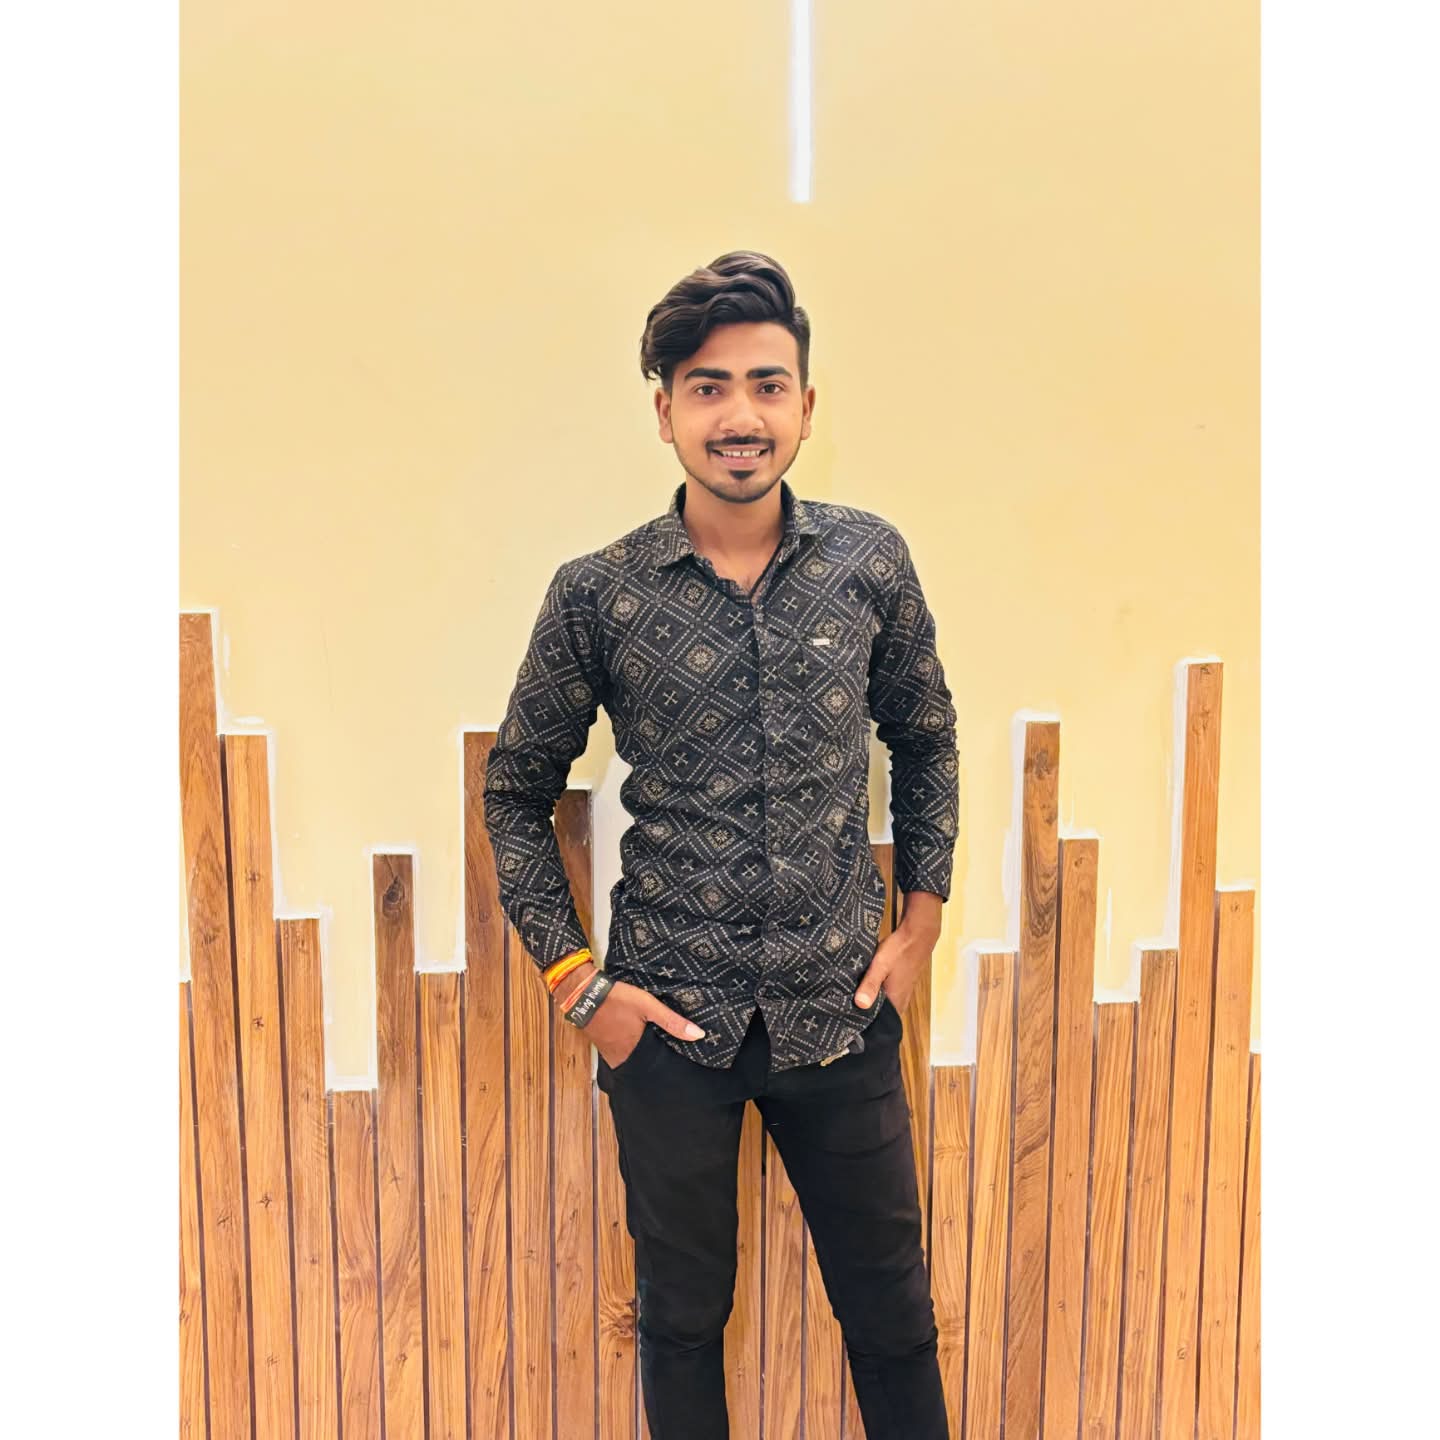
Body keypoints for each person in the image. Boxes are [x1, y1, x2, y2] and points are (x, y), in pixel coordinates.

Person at [483, 250, 958, 1438]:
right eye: (707, 387)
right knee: (683, 1323)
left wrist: (921, 921)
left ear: (806, 404)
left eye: (766, 384)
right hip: (669, 1029)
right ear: (665, 412)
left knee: (894, 1319)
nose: (739, 414)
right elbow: (516, 792)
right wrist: (579, 984)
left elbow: (926, 737)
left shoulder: (870, 562)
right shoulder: (598, 593)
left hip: (838, 1011)